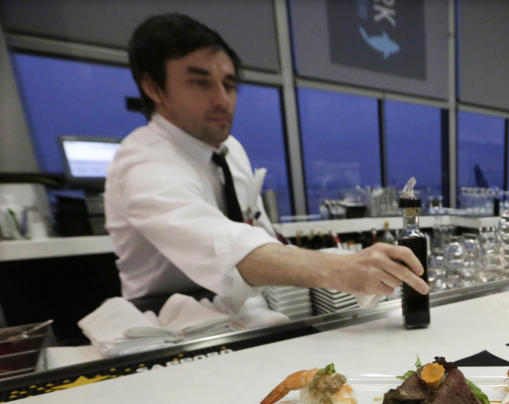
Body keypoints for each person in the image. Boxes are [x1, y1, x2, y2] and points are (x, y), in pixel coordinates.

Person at [106, 14, 428, 313]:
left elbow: (257, 231)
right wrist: (340, 269)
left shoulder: (230, 149)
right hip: (163, 326)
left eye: (229, 85)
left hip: (237, 314)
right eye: (200, 82)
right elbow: (224, 245)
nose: (221, 99)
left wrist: (349, 262)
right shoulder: (143, 162)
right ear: (153, 87)